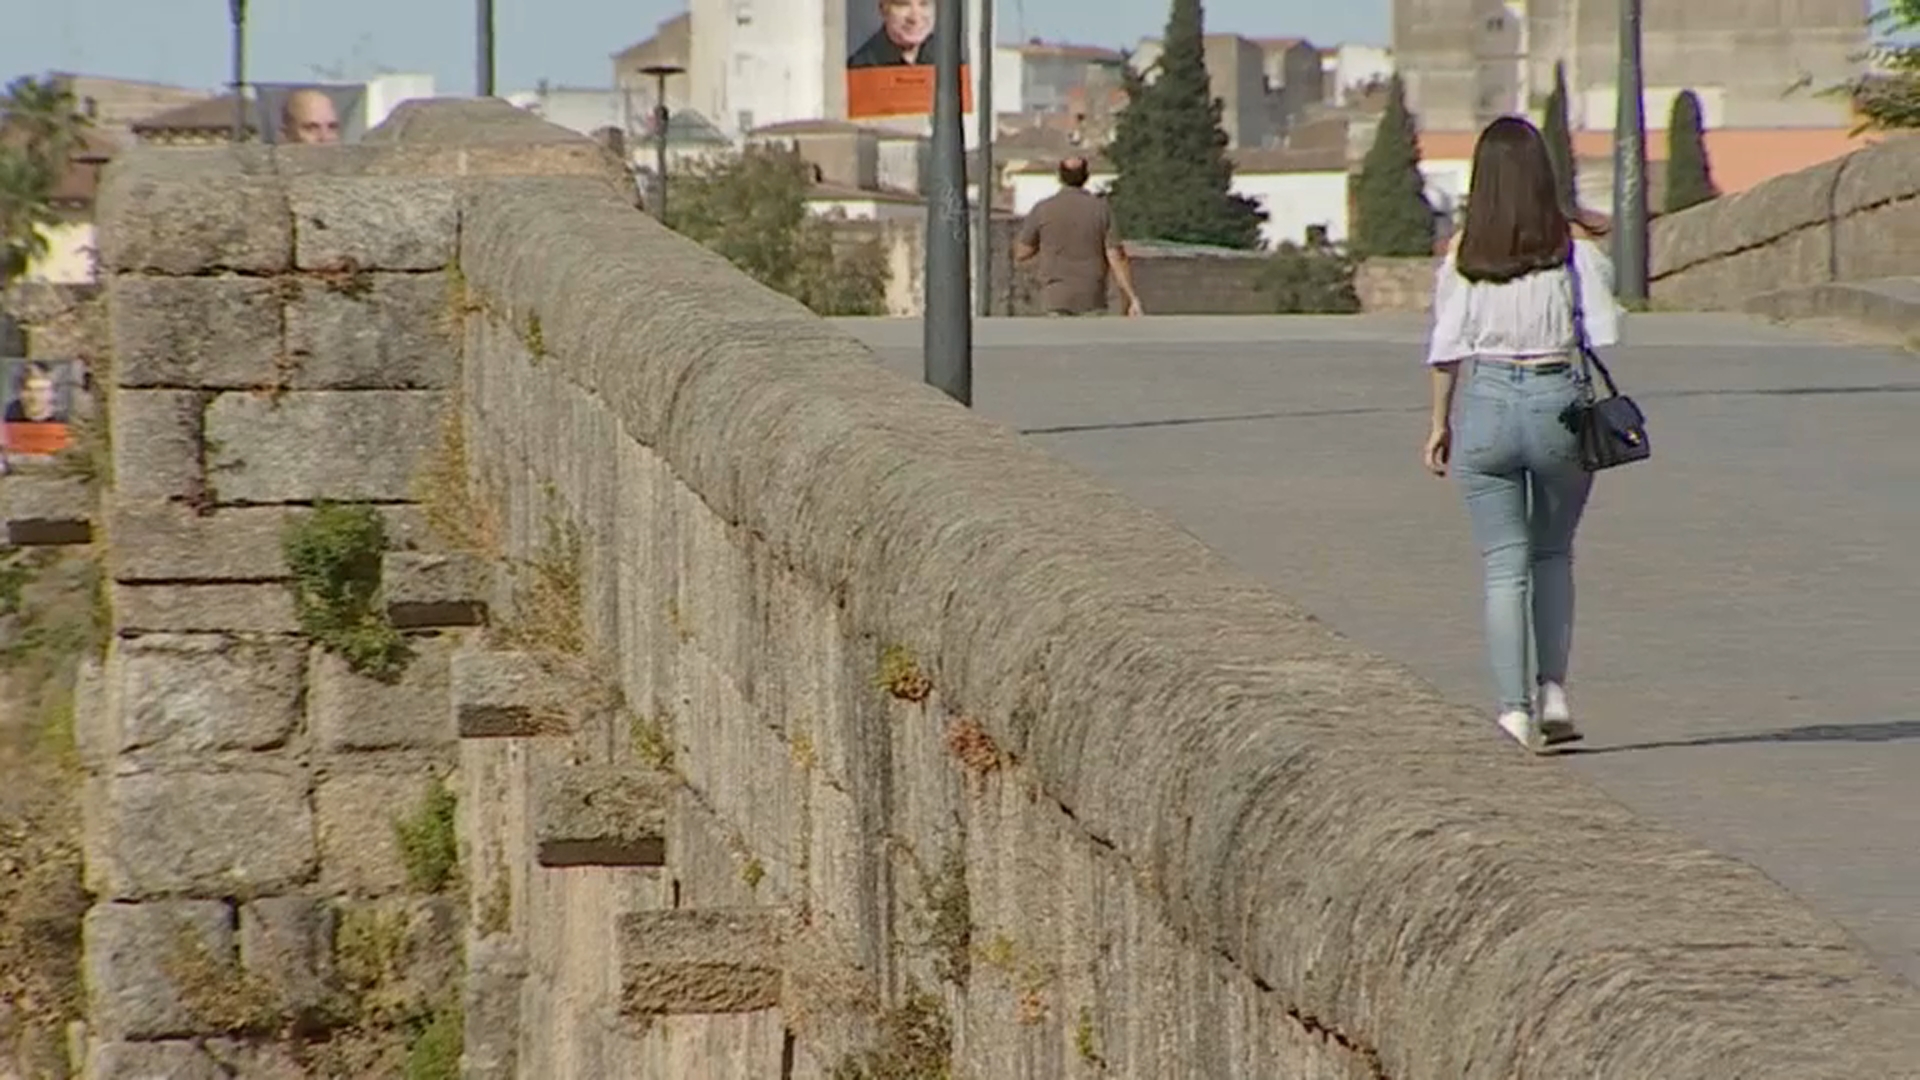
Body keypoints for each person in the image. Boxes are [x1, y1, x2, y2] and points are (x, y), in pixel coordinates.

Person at [1421, 116, 1625, 755]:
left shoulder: (1463, 255)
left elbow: (1447, 348)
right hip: (1557, 395)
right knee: (1553, 552)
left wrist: (1438, 425)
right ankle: (1554, 692)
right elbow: (1609, 333)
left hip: (1486, 402)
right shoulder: (1573, 252)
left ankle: (1513, 711)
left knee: (1503, 565)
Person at [1013, 157, 1145, 317]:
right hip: (1092, 296)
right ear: (1086, 177)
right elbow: (1116, 256)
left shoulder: (1043, 209)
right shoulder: (1101, 209)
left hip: (1055, 296)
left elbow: (1022, 253)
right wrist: (1132, 297)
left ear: (1060, 177)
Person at [849, 0, 936, 67]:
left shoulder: (946, 58)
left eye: (924, 4)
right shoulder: (861, 67)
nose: (915, 18)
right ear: (883, 9)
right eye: (903, 4)